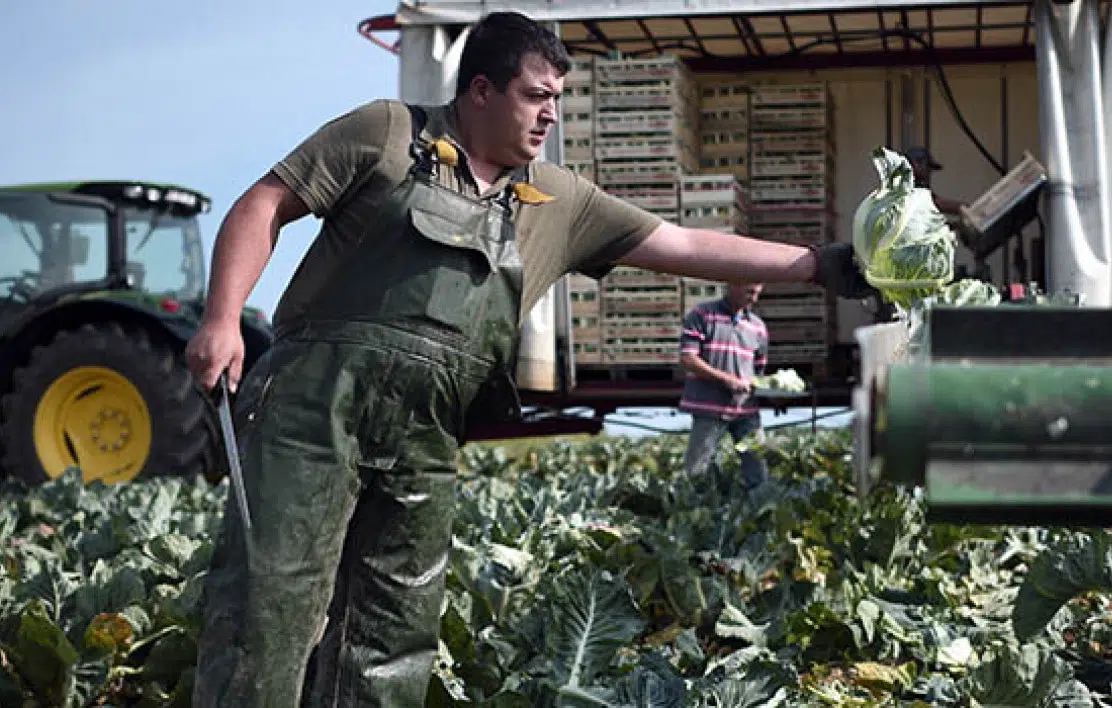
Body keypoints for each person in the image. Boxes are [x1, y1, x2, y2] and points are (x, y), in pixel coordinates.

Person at [183, 11, 875, 707]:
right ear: (480, 90)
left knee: (393, 630)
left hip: (425, 435)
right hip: (311, 413)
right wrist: (221, 319)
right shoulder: (388, 132)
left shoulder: (557, 201)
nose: (550, 115)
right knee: (270, 607)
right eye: (535, 96)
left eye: (557, 100)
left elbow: (684, 245)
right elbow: (264, 203)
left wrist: (819, 264)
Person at [677, 281, 770, 490]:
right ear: (732, 286)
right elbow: (688, 359)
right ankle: (695, 516)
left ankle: (758, 517)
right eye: (749, 292)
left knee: (758, 472)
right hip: (709, 408)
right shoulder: (702, 315)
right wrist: (726, 379)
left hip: (746, 411)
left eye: (757, 294)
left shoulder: (757, 326)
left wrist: (770, 390)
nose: (753, 299)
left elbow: (758, 371)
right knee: (697, 471)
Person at [905, 145, 966, 216]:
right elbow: (937, 203)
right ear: (916, 163)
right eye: (927, 167)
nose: (929, 172)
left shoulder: (919, 184)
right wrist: (964, 208)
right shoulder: (905, 184)